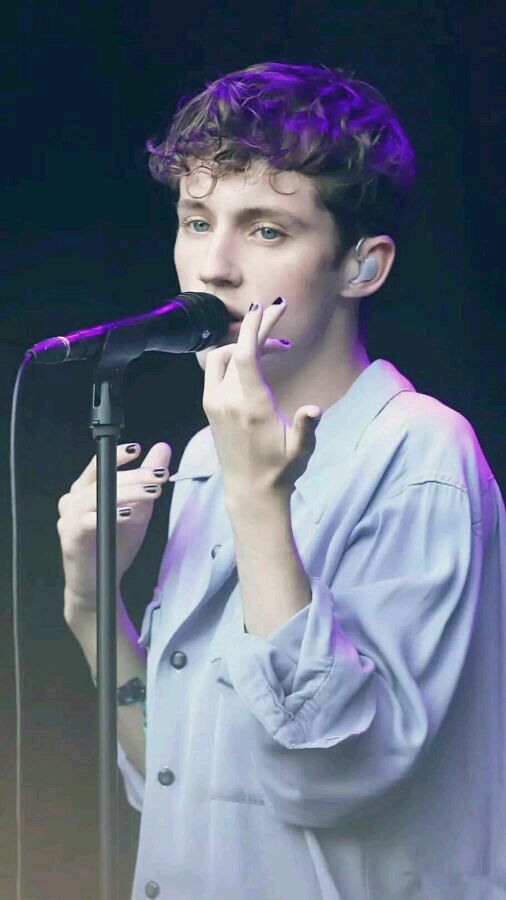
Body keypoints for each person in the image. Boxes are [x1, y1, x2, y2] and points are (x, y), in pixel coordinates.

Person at [57, 62, 506, 899]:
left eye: (266, 231)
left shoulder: (420, 455)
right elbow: (175, 783)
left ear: (361, 266)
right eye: (197, 222)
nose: (214, 267)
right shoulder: (206, 456)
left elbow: (328, 780)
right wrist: (92, 604)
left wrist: (260, 504)